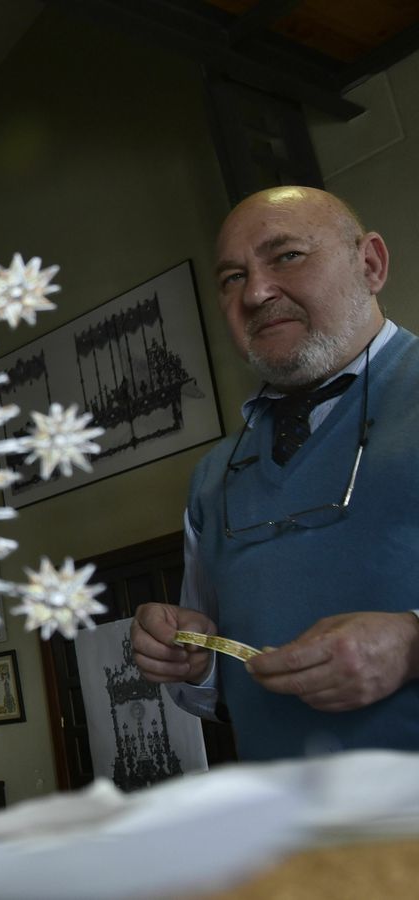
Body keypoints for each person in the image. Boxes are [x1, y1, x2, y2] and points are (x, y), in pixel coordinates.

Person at [131, 187, 419, 760]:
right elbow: (215, 690)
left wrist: (412, 646)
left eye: (287, 256)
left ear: (370, 264)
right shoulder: (213, 479)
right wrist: (191, 658)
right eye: (233, 277)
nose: (256, 292)